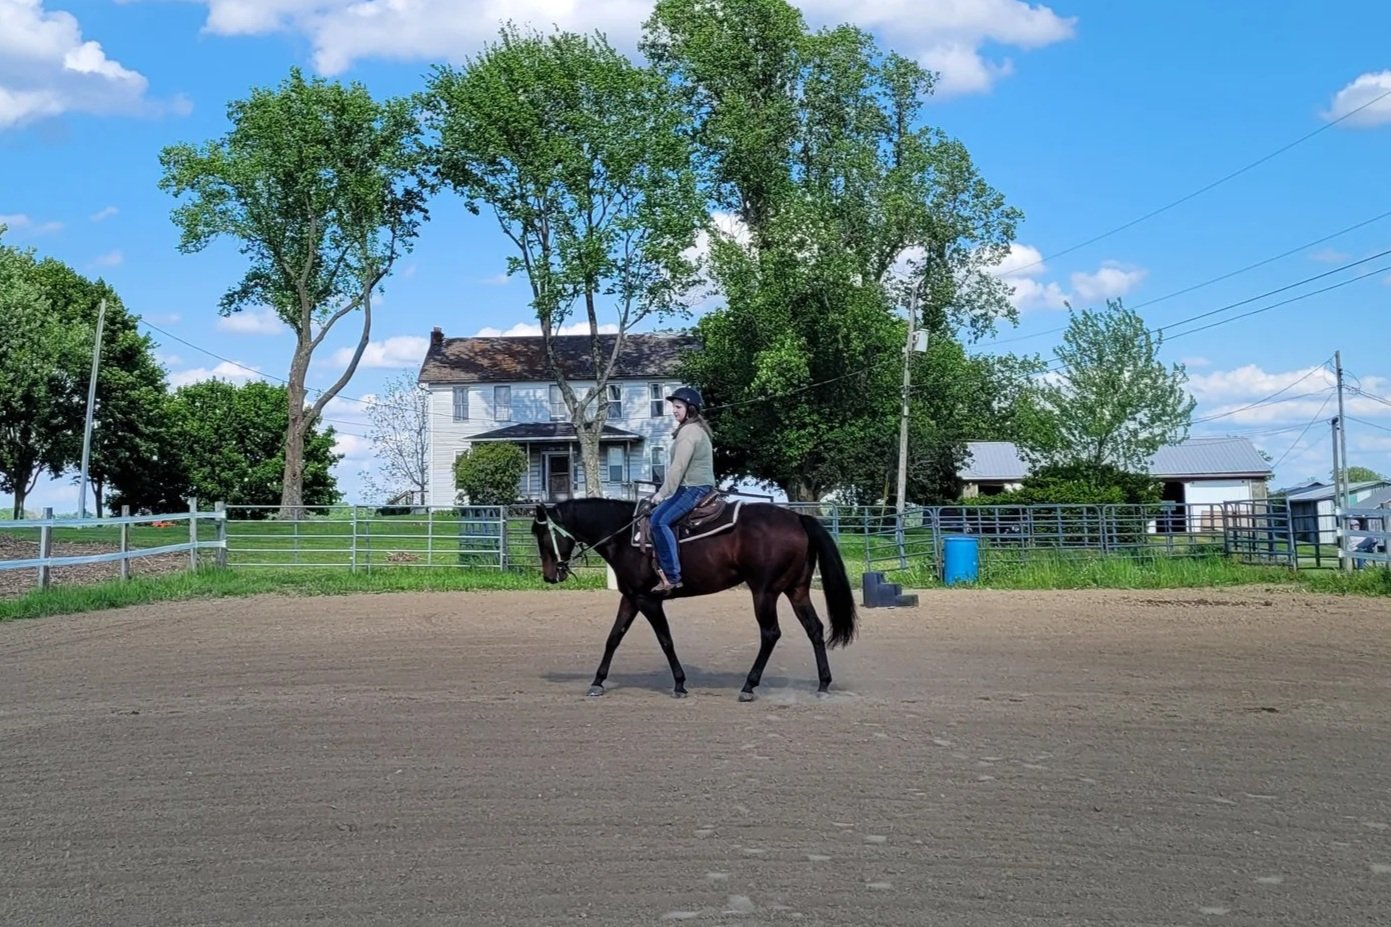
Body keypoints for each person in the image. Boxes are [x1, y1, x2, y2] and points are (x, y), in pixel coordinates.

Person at [648, 386, 716, 594]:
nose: (674, 411)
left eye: (678, 407)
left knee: (658, 521)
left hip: (692, 487)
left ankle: (672, 576)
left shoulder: (688, 432)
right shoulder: (695, 429)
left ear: (691, 409)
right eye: (673, 407)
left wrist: (661, 494)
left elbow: (678, 467)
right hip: (695, 485)